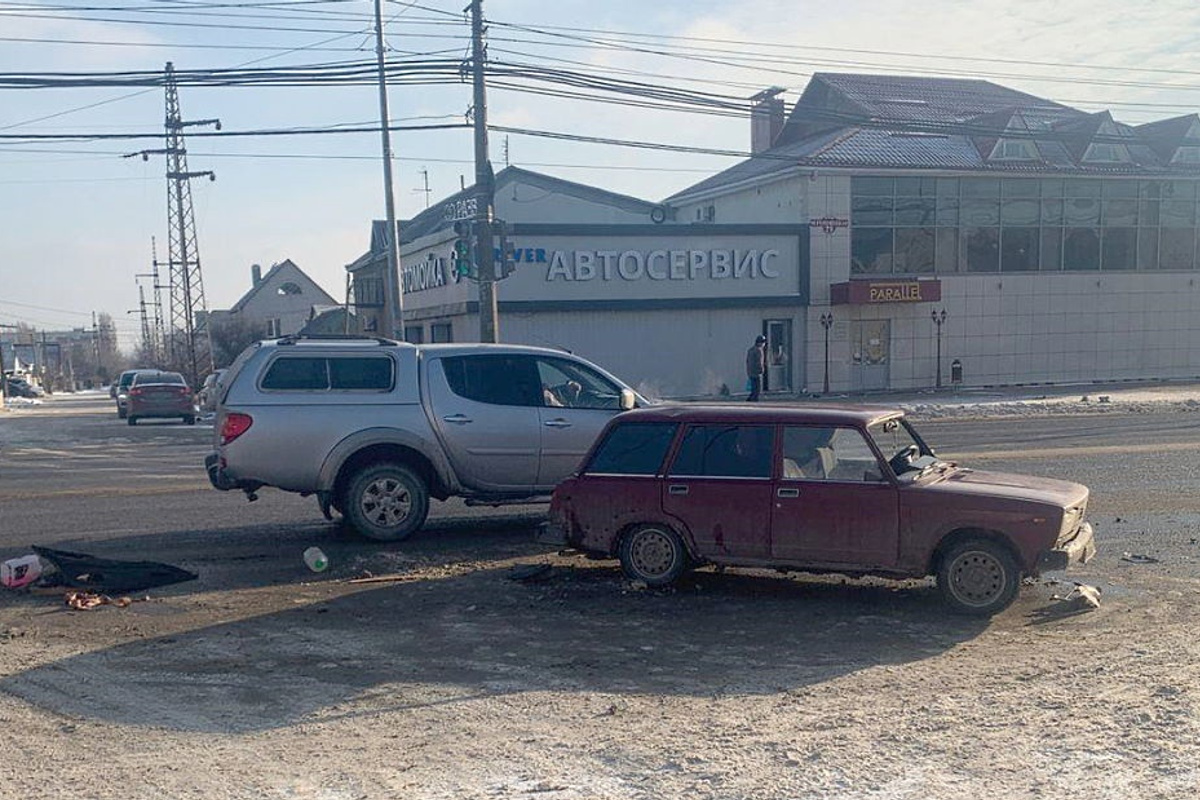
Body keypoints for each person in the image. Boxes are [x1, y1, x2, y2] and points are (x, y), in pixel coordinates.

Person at [745, 334, 767, 401]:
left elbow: (747, 361)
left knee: (753, 386)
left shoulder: (750, 350)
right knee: (757, 387)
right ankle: (754, 399)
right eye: (763, 342)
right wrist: (761, 369)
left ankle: (751, 397)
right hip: (756, 371)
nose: (764, 344)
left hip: (750, 371)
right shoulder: (759, 351)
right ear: (760, 343)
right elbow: (759, 361)